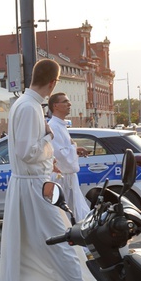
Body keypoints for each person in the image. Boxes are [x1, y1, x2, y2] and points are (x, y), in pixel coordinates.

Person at [0, 59, 103, 281]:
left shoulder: (24, 105)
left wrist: (47, 153)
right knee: (61, 241)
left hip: (30, 184)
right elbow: (27, 152)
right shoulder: (30, 108)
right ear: (54, 82)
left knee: (35, 245)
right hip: (34, 186)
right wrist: (49, 137)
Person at [47, 92, 90, 222]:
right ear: (56, 106)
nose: (69, 104)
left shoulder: (61, 125)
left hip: (68, 178)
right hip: (62, 178)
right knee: (66, 216)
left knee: (75, 212)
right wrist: (72, 149)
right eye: (65, 101)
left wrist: (75, 150)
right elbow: (59, 154)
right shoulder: (54, 126)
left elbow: (64, 149)